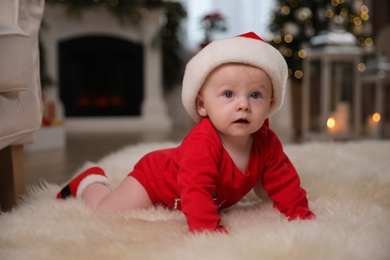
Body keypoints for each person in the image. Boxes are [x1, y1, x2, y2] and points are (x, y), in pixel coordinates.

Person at [57, 32, 315, 233]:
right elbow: (196, 190)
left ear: (270, 104)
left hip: (187, 184)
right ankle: (91, 182)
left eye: (255, 95)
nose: (243, 104)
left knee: (270, 184)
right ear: (202, 105)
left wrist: (300, 214)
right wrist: (207, 229)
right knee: (107, 211)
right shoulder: (203, 143)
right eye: (228, 94)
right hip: (155, 181)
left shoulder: (266, 142)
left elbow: (285, 181)